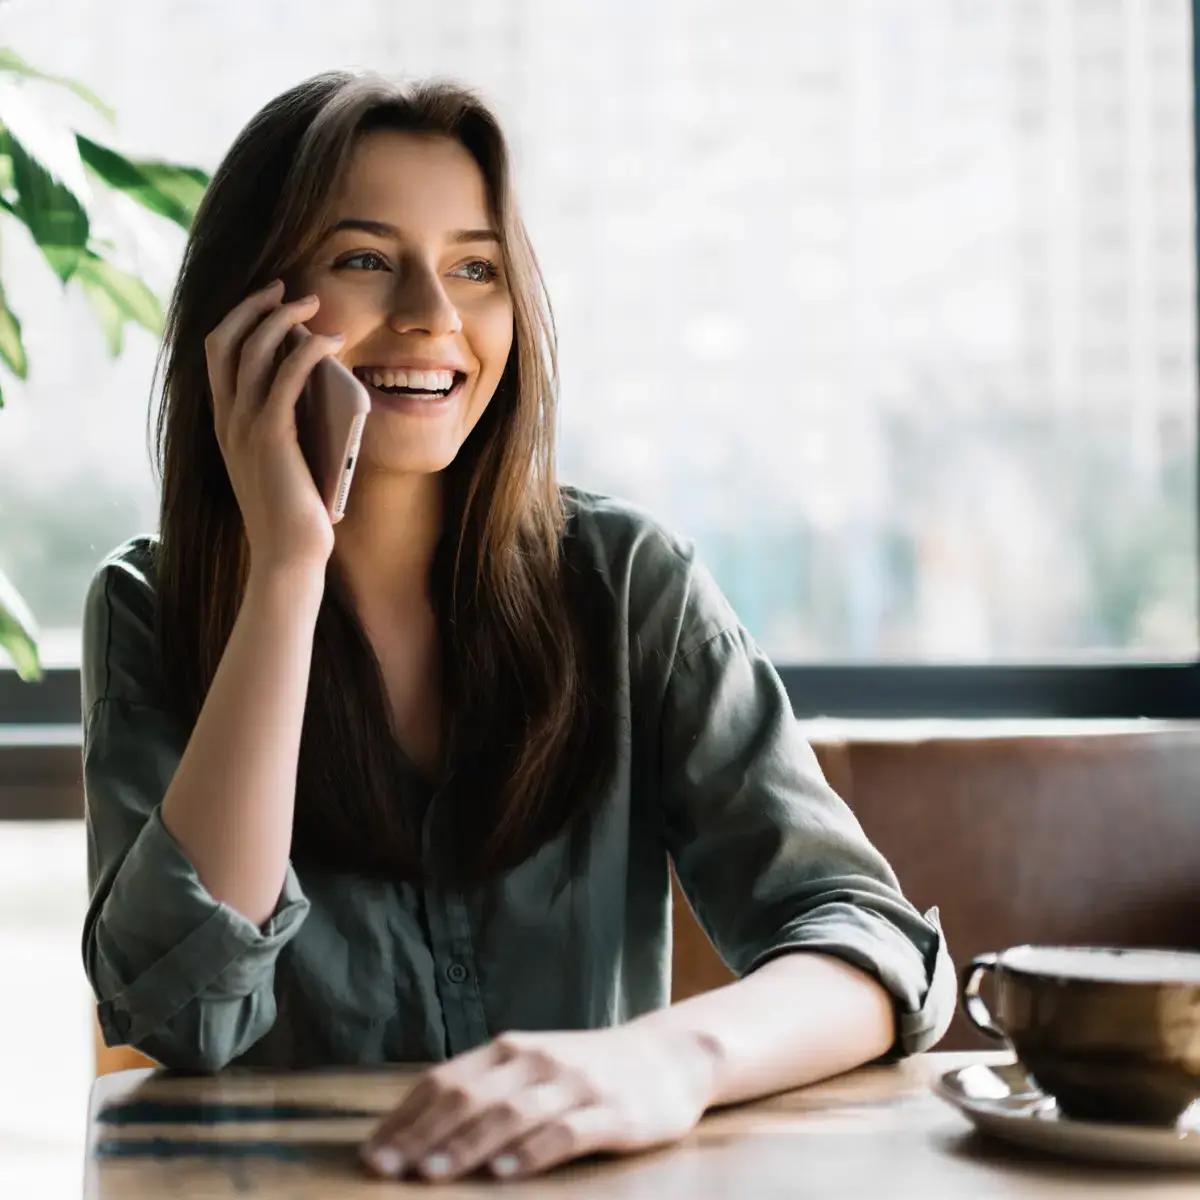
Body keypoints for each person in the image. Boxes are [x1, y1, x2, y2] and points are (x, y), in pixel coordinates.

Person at [81, 71, 954, 1184]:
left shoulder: (628, 582)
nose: (434, 317)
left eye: (475, 268)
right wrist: (288, 567)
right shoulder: (150, 609)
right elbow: (185, 1010)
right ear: (252, 307)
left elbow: (870, 942)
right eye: (363, 259)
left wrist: (668, 1059)